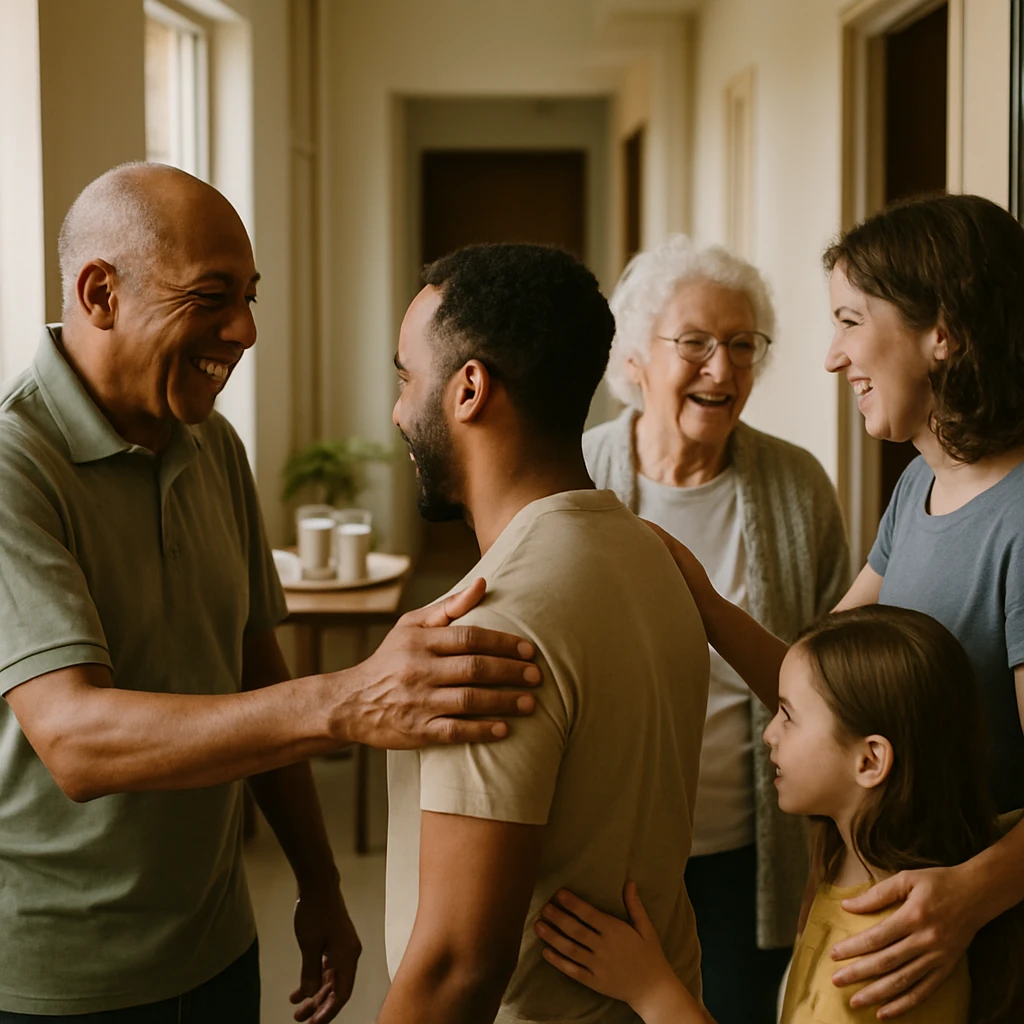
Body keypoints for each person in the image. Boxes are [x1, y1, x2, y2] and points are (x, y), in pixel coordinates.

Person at [0, 163, 543, 1024]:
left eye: (250, 297)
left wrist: (319, 881)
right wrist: (349, 699)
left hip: (218, 946)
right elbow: (76, 741)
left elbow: (257, 674)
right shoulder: (13, 467)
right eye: (212, 296)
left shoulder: (213, 446)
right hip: (62, 983)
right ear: (100, 293)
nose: (246, 330)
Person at [653, 193, 1024, 1019]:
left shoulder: (1020, 523)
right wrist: (699, 598)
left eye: (851, 321)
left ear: (942, 331)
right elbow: (812, 682)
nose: (832, 357)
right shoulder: (920, 486)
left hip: (973, 954)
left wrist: (970, 894)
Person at [380, 242, 711, 1024]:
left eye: (406, 378)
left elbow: (458, 967)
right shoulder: (650, 556)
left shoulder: (491, 627)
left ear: (469, 389)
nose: (398, 410)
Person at [583, 235, 849, 1023]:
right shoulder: (577, 475)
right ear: (635, 358)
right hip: (608, 849)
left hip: (749, 851)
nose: (721, 370)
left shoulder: (798, 486)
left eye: (741, 345)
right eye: (695, 343)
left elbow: (834, 676)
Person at [538, 607, 1023, 1023]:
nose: (769, 733)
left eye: (788, 715)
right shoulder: (866, 860)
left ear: (869, 761)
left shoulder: (869, 965)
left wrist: (649, 989)